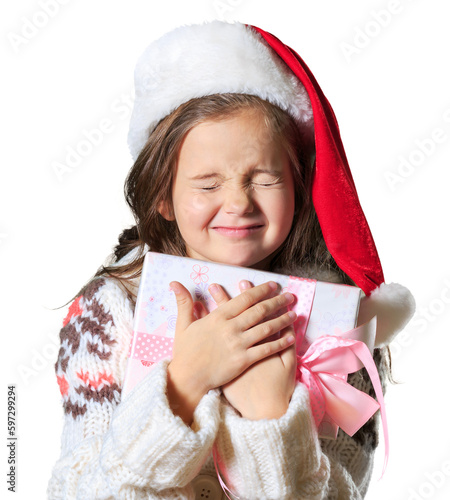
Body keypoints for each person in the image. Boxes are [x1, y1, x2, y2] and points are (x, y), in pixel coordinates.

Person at [47, 21, 415, 499]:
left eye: (263, 178)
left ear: (299, 188)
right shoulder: (109, 310)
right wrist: (184, 384)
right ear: (162, 195)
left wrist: (270, 419)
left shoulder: (342, 329)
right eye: (207, 183)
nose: (239, 202)